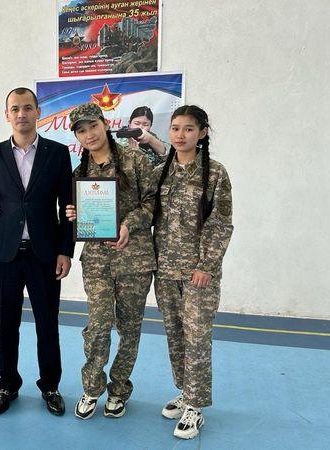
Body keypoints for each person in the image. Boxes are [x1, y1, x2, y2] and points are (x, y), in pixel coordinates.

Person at [0, 87, 74, 416]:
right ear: (7, 114)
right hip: (5, 255)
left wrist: (65, 250)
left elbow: (67, 207)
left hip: (45, 253)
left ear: (38, 112)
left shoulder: (57, 153)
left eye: (27, 107)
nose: (21, 114)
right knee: (7, 324)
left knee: (48, 323)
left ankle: (50, 385)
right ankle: (7, 384)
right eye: (15, 108)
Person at [64, 103, 157, 420]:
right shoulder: (80, 173)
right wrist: (74, 214)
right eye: (81, 130)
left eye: (92, 126)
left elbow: (152, 204)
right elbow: (79, 217)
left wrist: (128, 225)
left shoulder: (135, 160)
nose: (88, 134)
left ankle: (118, 390)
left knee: (129, 330)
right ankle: (92, 387)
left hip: (135, 261)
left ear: (104, 124)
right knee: (99, 325)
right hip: (97, 262)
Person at [153, 105, 233, 439]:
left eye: (188, 129)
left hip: (198, 274)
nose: (180, 135)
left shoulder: (214, 173)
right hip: (165, 271)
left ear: (202, 132)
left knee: (197, 338)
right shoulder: (161, 171)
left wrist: (207, 266)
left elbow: (221, 223)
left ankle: (196, 406)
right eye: (175, 128)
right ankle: (186, 392)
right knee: (175, 335)